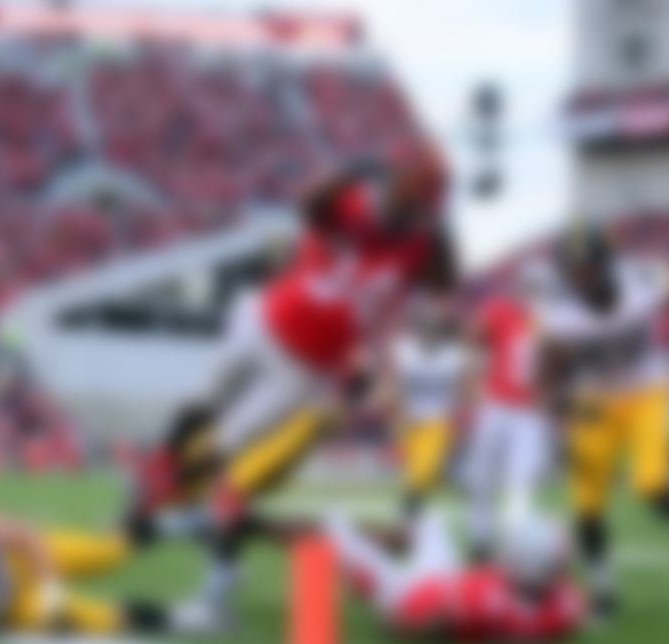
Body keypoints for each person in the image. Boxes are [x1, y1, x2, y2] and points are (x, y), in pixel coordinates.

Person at [124, 150, 459, 616]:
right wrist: (349, 173)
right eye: (415, 191)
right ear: (397, 178)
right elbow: (308, 206)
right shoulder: (354, 200)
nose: (417, 205)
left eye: (427, 199)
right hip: (266, 320)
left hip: (307, 368)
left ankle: (180, 524)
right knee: (203, 399)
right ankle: (158, 476)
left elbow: (447, 281)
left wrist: (439, 234)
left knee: (229, 450)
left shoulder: (420, 245)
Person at [533, 225, 669, 622]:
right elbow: (548, 373)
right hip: (593, 401)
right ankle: (604, 594)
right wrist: (559, 413)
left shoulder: (643, 279)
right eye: (572, 270)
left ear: (607, 262)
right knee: (587, 502)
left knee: (650, 483)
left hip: (649, 393)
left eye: (586, 267)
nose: (579, 277)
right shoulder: (558, 310)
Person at [0, 499, 218, 636]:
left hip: (16, 558)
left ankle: (184, 522)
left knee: (109, 553)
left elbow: (23, 535)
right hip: (9, 607)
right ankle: (191, 618)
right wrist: (47, 614)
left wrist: (51, 590)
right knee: (96, 620)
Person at [323, 508, 583, 644]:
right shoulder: (565, 606)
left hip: (406, 596)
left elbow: (427, 628)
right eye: (558, 565)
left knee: (335, 530)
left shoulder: (486, 606)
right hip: (444, 578)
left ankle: (368, 560)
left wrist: (396, 627)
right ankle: (382, 544)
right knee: (430, 520)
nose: (562, 572)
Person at [457, 286, 551, 561]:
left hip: (530, 413)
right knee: (481, 480)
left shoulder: (551, 317)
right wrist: (473, 377)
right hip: (496, 406)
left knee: (520, 483)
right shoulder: (500, 309)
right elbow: (472, 336)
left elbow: (562, 361)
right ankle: (480, 543)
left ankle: (517, 549)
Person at [380, 293, 473, 521]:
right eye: (425, 326)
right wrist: (393, 412)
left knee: (426, 468)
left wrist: (466, 416)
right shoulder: (403, 350)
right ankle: (420, 506)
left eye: (434, 327)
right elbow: (393, 383)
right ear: (417, 328)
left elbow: (465, 389)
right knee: (416, 471)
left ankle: (408, 509)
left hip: (438, 420)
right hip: (409, 420)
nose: (429, 331)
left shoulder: (456, 355)